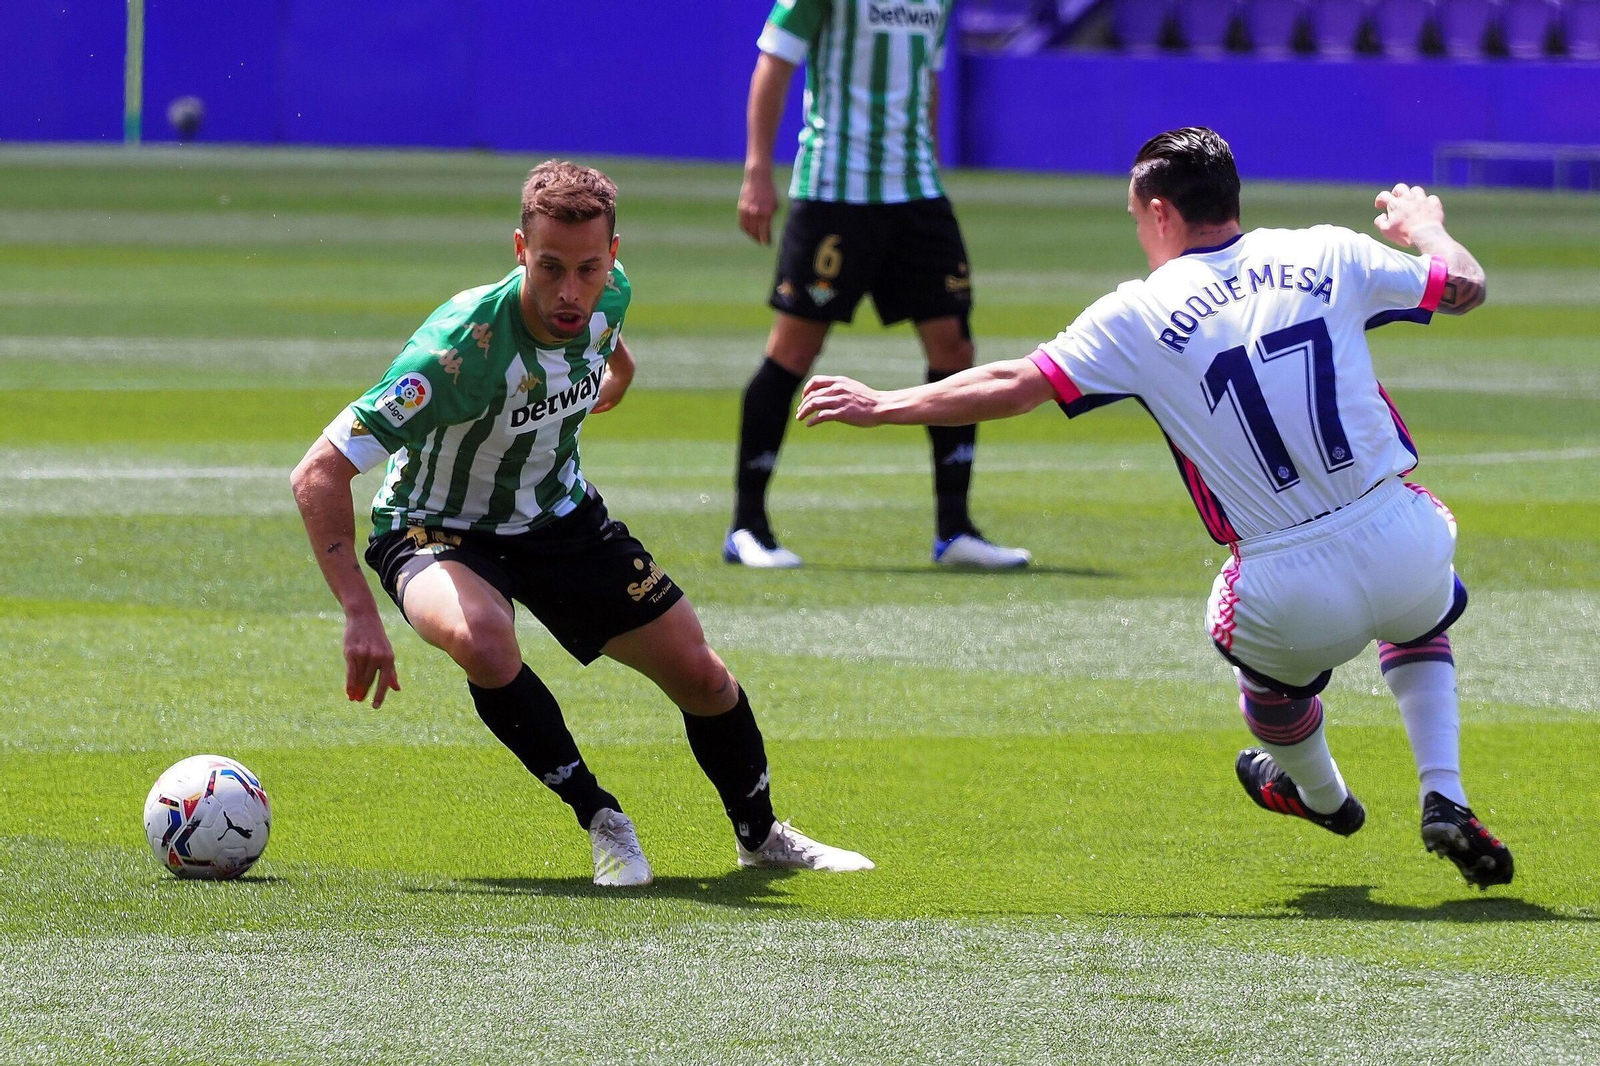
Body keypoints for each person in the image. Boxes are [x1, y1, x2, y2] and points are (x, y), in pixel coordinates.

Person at [797, 128, 1512, 889]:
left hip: (1286, 587)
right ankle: (1446, 793)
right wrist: (1424, 227)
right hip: (1398, 537)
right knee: (1419, 617)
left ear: (1162, 212)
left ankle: (1319, 794)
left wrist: (884, 404)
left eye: (1137, 218)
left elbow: (1015, 383)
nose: (1138, 234)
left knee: (1259, 670)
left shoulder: (1138, 312)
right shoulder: (1328, 250)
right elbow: (1463, 285)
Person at [290, 161, 872, 887]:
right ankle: (603, 819)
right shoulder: (455, 353)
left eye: (589, 268)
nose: (570, 291)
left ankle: (762, 835)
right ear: (519, 251)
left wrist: (617, 378)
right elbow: (318, 472)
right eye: (550, 268)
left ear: (613, 258)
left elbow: (603, 338)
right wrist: (358, 615)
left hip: (559, 515)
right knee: (483, 641)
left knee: (702, 674)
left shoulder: (608, 297)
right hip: (435, 527)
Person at [726, 0, 1031, 569]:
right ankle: (747, 528)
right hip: (834, 194)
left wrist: (932, 167)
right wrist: (757, 172)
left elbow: (928, 78)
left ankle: (955, 530)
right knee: (794, 350)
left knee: (955, 348)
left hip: (915, 194)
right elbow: (774, 62)